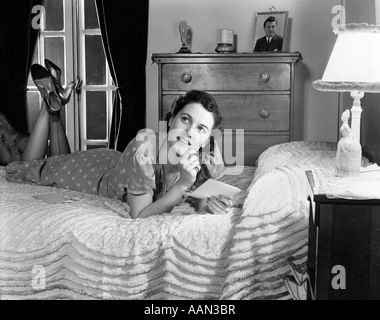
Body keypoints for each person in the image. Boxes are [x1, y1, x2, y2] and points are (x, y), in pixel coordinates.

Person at [6, 62, 242, 218]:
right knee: (34, 167)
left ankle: (53, 105)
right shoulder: (145, 147)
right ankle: (49, 108)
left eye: (201, 129)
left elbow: (198, 199)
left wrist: (211, 206)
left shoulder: (200, 161)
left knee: (58, 156)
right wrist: (181, 185)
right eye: (186, 119)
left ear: (206, 139)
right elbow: (139, 216)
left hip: (117, 160)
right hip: (95, 174)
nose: (190, 132)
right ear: (171, 120)